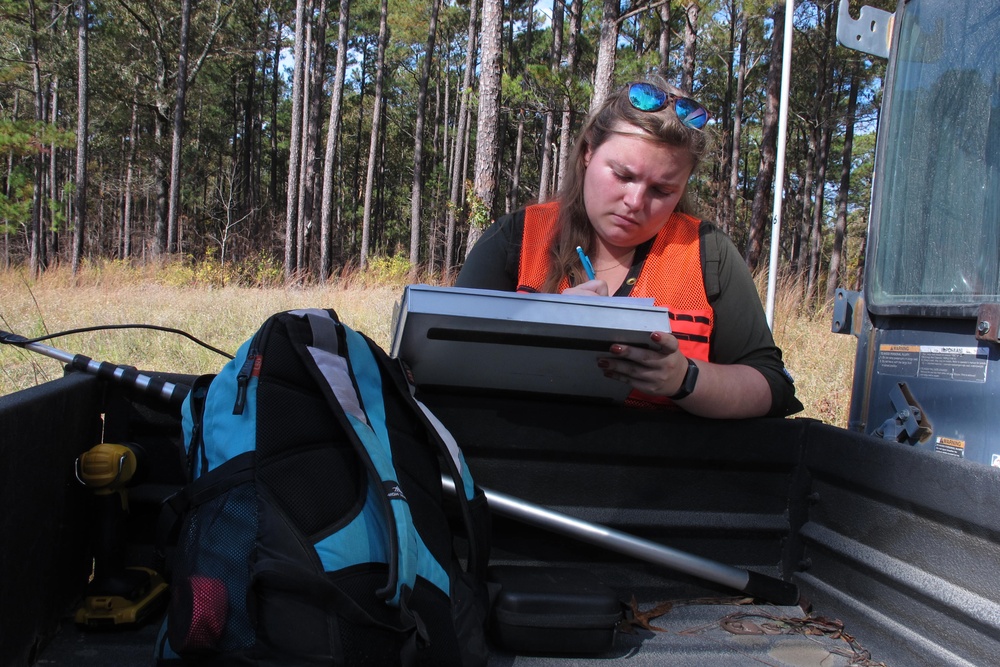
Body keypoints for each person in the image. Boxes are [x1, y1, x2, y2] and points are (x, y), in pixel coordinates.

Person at [456, 78, 802, 418]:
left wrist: (684, 378)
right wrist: (545, 327)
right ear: (588, 152)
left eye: (662, 190)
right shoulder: (517, 237)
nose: (635, 202)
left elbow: (772, 387)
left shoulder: (706, 252)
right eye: (623, 175)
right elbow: (447, 361)